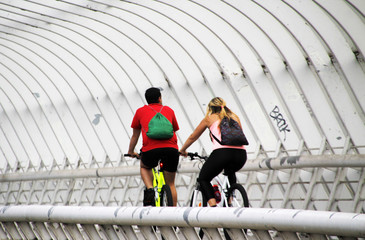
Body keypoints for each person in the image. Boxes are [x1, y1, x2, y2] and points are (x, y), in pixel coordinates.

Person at [179, 97, 247, 207]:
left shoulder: (209, 119)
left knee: (203, 178)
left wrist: (182, 150)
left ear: (210, 108)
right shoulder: (235, 117)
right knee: (230, 171)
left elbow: (193, 137)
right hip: (241, 156)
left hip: (222, 154)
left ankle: (213, 208)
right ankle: (229, 201)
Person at [127, 87, 180, 206]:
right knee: (170, 184)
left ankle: (150, 188)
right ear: (160, 98)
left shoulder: (140, 112)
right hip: (171, 149)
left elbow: (135, 136)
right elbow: (174, 130)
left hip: (150, 150)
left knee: (145, 167)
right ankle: (174, 215)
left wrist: (131, 151)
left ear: (147, 100)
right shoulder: (169, 110)